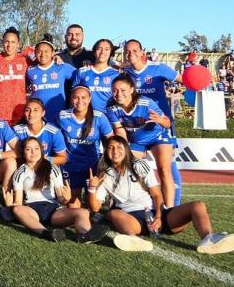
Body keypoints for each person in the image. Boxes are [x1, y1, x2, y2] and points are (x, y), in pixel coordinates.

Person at [87, 135, 234, 254]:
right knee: (114, 213)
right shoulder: (104, 175)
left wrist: (159, 217)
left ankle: (209, 238)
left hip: (156, 214)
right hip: (133, 220)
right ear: (106, 152)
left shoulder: (139, 165)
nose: (115, 151)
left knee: (198, 205)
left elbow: (156, 194)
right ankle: (133, 240)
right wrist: (92, 188)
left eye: (119, 147)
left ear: (126, 150)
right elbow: (95, 207)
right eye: (111, 148)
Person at [122, 39, 183, 205]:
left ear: (143, 52)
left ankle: (173, 206)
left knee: (167, 167)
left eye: (135, 50)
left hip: (161, 124)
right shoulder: (125, 73)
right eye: (127, 51)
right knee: (132, 167)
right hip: (136, 128)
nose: (131, 54)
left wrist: (197, 83)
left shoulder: (159, 68)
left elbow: (184, 80)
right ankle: (140, 204)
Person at [106, 75, 176, 208]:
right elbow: (120, 130)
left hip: (157, 136)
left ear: (132, 89)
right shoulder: (111, 107)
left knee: (164, 170)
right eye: (114, 90)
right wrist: (125, 151)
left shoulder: (146, 103)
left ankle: (169, 209)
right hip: (136, 140)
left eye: (123, 90)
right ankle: (122, 204)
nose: (118, 94)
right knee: (124, 167)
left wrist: (159, 120)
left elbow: (167, 123)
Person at [9, 137, 91, 242]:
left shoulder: (52, 168)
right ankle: (46, 233)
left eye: (36, 148)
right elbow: (19, 202)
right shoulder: (20, 172)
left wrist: (67, 199)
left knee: (83, 212)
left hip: (53, 210)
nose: (33, 152)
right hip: (32, 210)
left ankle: (84, 235)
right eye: (28, 149)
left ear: (41, 150)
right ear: (23, 152)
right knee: (18, 209)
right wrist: (10, 205)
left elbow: (61, 199)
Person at [58, 85, 113, 205]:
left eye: (83, 97)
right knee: (72, 204)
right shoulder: (62, 116)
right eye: (76, 97)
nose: (80, 101)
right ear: (71, 99)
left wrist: (108, 162)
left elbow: (111, 140)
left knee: (92, 205)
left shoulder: (99, 117)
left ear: (89, 99)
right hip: (71, 166)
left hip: (92, 166)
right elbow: (54, 137)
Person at [26, 39, 76, 125]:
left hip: (58, 117)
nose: (42, 55)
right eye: (39, 52)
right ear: (35, 53)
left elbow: (81, 76)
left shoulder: (61, 67)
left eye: (46, 51)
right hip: (37, 118)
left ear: (53, 53)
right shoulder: (30, 71)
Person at [13, 98, 67, 165]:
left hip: (45, 167)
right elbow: (12, 154)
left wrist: (42, 159)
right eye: (27, 110)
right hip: (24, 168)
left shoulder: (54, 132)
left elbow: (63, 158)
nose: (31, 114)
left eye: (35, 110)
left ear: (43, 113)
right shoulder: (16, 131)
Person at [73, 39, 120, 113]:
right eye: (99, 49)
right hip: (86, 118)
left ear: (111, 53)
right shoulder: (82, 71)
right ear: (94, 52)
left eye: (106, 49)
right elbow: (73, 96)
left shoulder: (116, 74)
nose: (102, 52)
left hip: (107, 118)